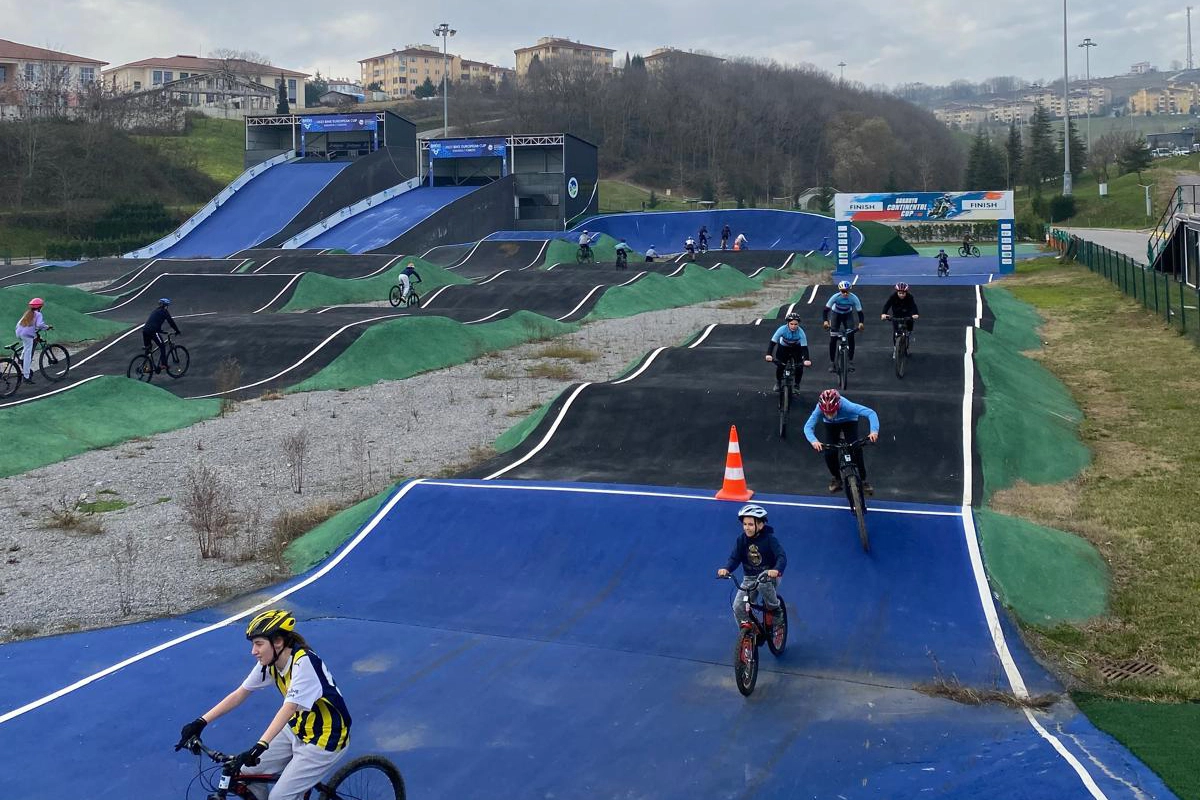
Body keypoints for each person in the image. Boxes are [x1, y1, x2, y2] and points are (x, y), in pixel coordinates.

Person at [175, 609, 352, 800]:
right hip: (297, 727)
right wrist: (201, 722)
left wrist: (260, 745)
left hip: (324, 739)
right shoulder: (270, 663)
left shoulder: (304, 664)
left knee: (279, 797)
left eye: (259, 644)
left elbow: (289, 707)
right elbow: (240, 694)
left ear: (278, 641)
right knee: (244, 774)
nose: (253, 651)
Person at [716, 504, 786, 630]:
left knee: (763, 583)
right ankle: (749, 633)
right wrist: (727, 569)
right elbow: (734, 558)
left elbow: (781, 557)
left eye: (750, 524)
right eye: (745, 524)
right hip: (749, 578)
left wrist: (776, 570)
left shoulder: (769, 539)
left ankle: (775, 609)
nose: (746, 528)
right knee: (738, 606)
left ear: (760, 525)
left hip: (768, 577)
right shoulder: (741, 540)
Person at [803, 388, 880, 494]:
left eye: (832, 411)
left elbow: (871, 413)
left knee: (856, 448)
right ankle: (837, 479)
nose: (830, 415)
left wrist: (874, 432)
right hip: (831, 425)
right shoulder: (819, 409)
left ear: (838, 406)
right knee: (829, 452)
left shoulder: (846, 405)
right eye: (827, 413)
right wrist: (814, 441)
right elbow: (808, 427)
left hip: (849, 420)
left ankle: (863, 481)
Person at [822, 281, 865, 371]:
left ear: (849, 290)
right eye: (843, 291)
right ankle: (832, 362)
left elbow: (860, 312)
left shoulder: (854, 298)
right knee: (833, 338)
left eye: (847, 291)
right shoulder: (835, 297)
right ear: (840, 291)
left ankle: (850, 361)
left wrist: (861, 323)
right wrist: (825, 321)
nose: (845, 293)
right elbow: (825, 310)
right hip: (835, 314)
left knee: (851, 336)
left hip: (847, 315)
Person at [765, 312, 812, 392]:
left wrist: (807, 359)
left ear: (798, 324)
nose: (793, 326)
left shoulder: (801, 332)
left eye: (795, 324)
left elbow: (804, 347)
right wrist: (769, 354)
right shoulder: (782, 329)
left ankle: (797, 385)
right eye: (791, 324)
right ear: (788, 323)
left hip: (796, 348)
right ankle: (778, 382)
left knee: (799, 367)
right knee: (780, 365)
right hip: (783, 348)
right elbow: (772, 343)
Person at [14, 297, 51, 385]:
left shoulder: (28, 313)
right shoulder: (38, 314)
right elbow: (39, 324)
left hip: (19, 333)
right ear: (40, 307)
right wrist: (47, 327)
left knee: (27, 346)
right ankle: (26, 376)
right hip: (27, 335)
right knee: (28, 353)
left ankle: (21, 359)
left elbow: (20, 324)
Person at [142, 298, 181, 374]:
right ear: (166, 306)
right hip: (153, 331)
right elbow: (171, 322)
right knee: (162, 346)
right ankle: (163, 364)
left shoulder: (155, 311)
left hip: (145, 331)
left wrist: (161, 331)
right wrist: (177, 331)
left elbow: (153, 322)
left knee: (148, 348)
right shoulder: (165, 312)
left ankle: (144, 367)